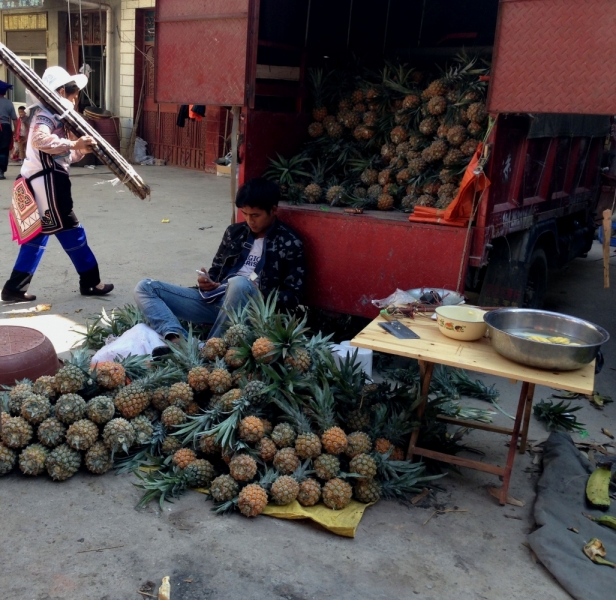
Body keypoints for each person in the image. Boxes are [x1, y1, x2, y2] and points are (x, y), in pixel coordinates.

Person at [134, 178, 306, 343]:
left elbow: (294, 296)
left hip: (253, 311)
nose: (249, 220)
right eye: (245, 214)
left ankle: (211, 349)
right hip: (217, 300)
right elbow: (216, 271)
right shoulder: (234, 232)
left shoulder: (289, 242)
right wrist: (207, 281)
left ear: (274, 210)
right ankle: (178, 340)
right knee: (146, 287)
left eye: (255, 215)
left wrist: (261, 295)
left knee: (239, 284)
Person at [1, 66, 114, 303]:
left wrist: (79, 149)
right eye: (73, 95)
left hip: (46, 180)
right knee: (72, 230)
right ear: (62, 91)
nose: (75, 99)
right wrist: (74, 145)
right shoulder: (46, 114)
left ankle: (14, 288)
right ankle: (91, 282)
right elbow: (40, 141)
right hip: (47, 183)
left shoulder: (53, 115)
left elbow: (62, 156)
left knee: (39, 234)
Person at [0, 79, 17, 180]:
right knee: (4, 150)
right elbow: (15, 119)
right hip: (5, 128)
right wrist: (15, 132)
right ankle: (1, 171)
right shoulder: (9, 103)